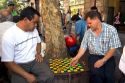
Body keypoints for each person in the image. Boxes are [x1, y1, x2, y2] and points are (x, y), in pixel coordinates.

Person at [1, 7, 54, 83]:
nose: (36, 25)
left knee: (49, 76)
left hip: (33, 61)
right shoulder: (9, 35)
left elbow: (38, 42)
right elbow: (8, 62)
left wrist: (38, 53)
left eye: (37, 23)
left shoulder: (34, 30)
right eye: (34, 22)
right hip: (18, 65)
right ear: (25, 19)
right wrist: (27, 75)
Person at [70, 11, 121, 83]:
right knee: (96, 76)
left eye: (90, 23)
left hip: (108, 56)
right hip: (94, 56)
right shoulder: (88, 32)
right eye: (87, 23)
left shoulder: (111, 30)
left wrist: (103, 60)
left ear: (97, 19)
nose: (88, 25)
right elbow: (83, 46)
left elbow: (113, 48)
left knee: (109, 76)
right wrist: (76, 57)